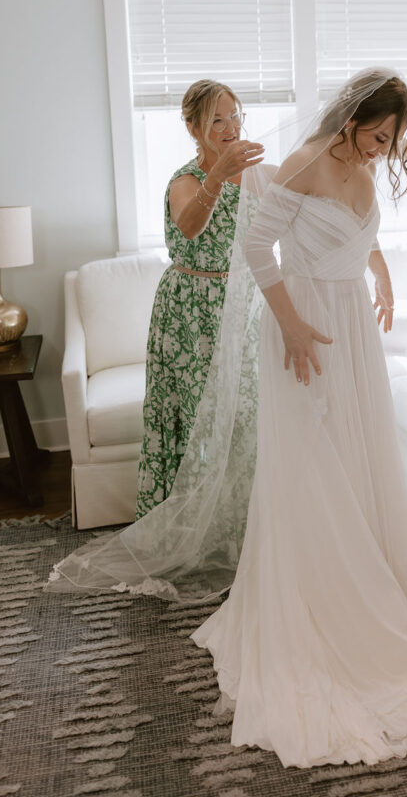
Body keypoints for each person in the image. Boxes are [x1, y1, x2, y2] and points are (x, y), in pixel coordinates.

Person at [190, 68, 407, 767]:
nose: (382, 149)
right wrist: (291, 327)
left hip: (350, 317)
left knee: (356, 453)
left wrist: (378, 268)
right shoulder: (306, 163)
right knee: (311, 460)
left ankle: (368, 585)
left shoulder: (364, 166)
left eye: (392, 140)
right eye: (376, 135)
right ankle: (320, 602)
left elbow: (356, 229)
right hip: (307, 321)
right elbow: (258, 249)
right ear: (350, 121)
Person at [136, 79, 264, 516]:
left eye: (235, 117)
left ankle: (244, 524)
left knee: (248, 418)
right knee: (197, 422)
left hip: (244, 306)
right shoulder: (184, 181)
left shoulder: (255, 173)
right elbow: (190, 227)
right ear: (193, 128)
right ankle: (191, 524)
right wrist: (218, 174)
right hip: (191, 311)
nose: (230, 127)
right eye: (217, 120)